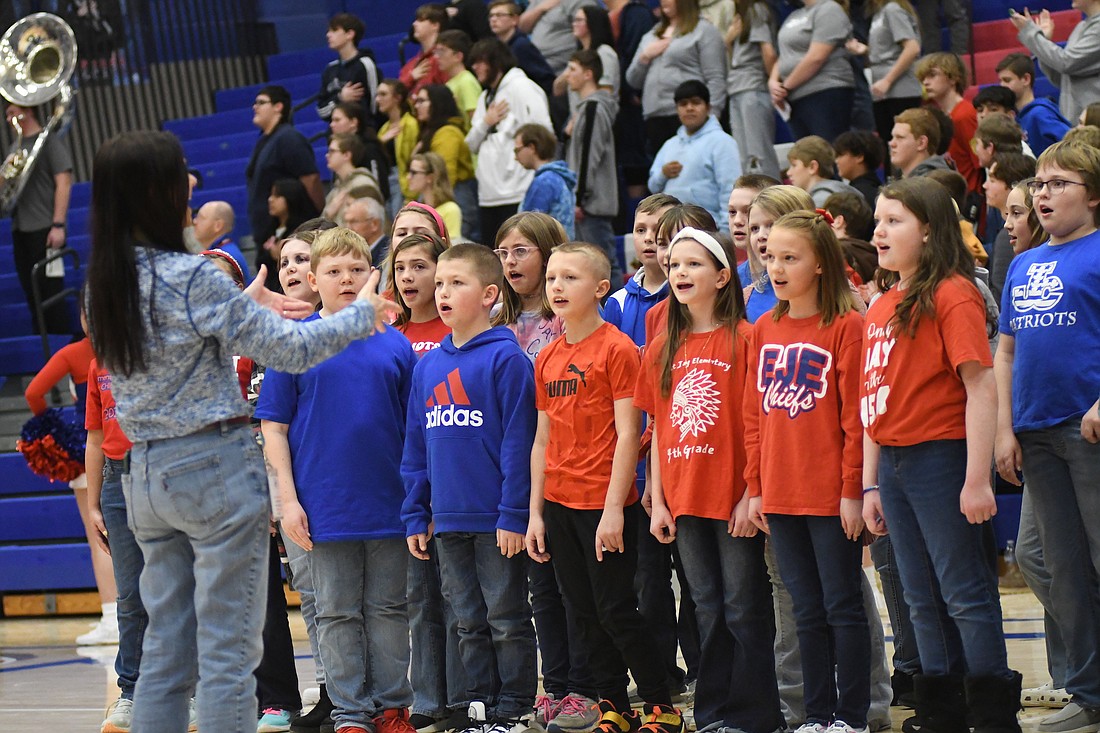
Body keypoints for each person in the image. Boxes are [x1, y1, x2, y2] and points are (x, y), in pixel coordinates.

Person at [83, 130, 396, 733]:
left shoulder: (105, 284)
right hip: (213, 470)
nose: (192, 192)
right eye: (182, 180)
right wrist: (361, 313)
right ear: (160, 191)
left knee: (168, 649)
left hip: (144, 478)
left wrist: (242, 307)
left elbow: (183, 342)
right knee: (228, 649)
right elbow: (293, 349)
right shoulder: (192, 277)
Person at [861, 176, 1022, 733]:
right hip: (897, 466)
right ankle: (943, 715)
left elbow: (980, 386)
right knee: (917, 594)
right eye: (878, 221)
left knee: (964, 592)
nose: (879, 231)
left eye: (894, 221)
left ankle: (994, 717)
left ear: (928, 230)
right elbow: (873, 402)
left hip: (942, 458)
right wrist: (872, 483)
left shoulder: (952, 292)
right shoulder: (882, 303)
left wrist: (977, 479)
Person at [257, 227, 417, 733]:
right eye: (333, 271)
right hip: (323, 505)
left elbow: (413, 430)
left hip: (389, 502)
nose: (345, 279)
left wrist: (418, 498)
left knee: (389, 610)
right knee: (336, 613)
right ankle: (350, 712)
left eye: (355, 269)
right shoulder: (295, 344)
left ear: (371, 274)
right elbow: (274, 428)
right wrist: (287, 499)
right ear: (312, 279)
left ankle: (392, 707)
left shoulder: (397, 346)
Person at [527, 240, 685, 733]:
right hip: (559, 502)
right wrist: (534, 513)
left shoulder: (617, 349)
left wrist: (615, 508)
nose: (557, 286)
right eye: (552, 277)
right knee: (582, 614)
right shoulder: (548, 357)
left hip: (605, 503)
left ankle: (662, 705)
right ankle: (612, 704)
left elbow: (629, 433)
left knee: (617, 609)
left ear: (600, 288)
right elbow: (542, 439)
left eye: (569, 277)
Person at [633, 224, 783, 733]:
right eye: (674, 265)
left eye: (693, 264)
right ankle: (714, 711)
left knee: (743, 607)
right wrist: (656, 501)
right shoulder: (660, 347)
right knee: (705, 608)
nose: (680, 273)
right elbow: (656, 428)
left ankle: (758, 713)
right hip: (683, 499)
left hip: (733, 498)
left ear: (723, 276)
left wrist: (750, 493)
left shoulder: (746, 337)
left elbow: (758, 424)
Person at [403, 243, 539, 733]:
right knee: (467, 620)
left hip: (494, 519)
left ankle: (517, 705)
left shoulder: (507, 360)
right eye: (439, 283)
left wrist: (512, 513)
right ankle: (479, 706)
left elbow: (518, 444)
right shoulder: (428, 366)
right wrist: (416, 512)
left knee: (505, 616)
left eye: (456, 283)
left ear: (489, 295)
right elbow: (416, 446)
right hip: (448, 519)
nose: (442, 292)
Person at [743, 210, 868, 733]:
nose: (775, 266)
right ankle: (817, 716)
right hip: (780, 494)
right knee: (804, 611)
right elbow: (753, 417)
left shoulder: (848, 326)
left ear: (821, 265)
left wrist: (852, 491)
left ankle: (853, 715)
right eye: (771, 255)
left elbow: (856, 420)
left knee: (843, 608)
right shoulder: (764, 328)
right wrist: (755, 489)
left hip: (829, 496)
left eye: (790, 257)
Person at [994, 140, 1100, 733]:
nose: (1044, 193)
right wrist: (1003, 429)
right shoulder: (1025, 265)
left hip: (1088, 433)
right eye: (1039, 184)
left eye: (1060, 183)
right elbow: (1006, 353)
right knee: (1064, 572)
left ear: (1095, 194)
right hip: (1036, 434)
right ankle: (1087, 692)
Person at [466, 39, 552, 246]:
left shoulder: (523, 88)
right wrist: (486, 122)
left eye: (480, 61)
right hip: (488, 195)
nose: (475, 67)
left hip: (516, 191)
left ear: (496, 61)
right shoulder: (485, 97)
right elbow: (470, 144)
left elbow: (543, 134)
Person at [4, 101, 74, 335]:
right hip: (21, 229)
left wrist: (58, 224)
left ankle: (61, 352)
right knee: (32, 296)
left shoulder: (48, 141)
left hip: (45, 229)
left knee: (52, 295)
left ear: (28, 112)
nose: (9, 119)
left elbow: (63, 181)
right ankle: (44, 355)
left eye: (13, 113)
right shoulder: (16, 148)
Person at [626, 0, 727, 157]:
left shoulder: (704, 30)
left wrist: (711, 116)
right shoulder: (651, 35)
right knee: (664, 170)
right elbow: (633, 80)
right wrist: (645, 57)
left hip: (689, 114)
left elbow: (716, 77)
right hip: (655, 115)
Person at [247, 86, 324, 289]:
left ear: (278, 107)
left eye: (261, 102)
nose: (255, 107)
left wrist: (316, 221)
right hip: (270, 233)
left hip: (293, 233)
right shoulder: (265, 140)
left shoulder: (289, 138)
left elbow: (311, 179)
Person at [648, 80, 740, 235]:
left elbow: (730, 191)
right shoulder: (669, 145)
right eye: (683, 104)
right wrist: (662, 174)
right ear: (677, 110)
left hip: (708, 229)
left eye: (696, 103)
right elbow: (653, 187)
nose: (689, 108)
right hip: (671, 230)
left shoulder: (722, 142)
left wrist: (725, 231)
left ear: (708, 107)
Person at [564, 49, 621, 285]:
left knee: (603, 263)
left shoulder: (593, 108)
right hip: (590, 200)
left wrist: (579, 197)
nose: (567, 75)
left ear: (589, 74)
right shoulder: (585, 108)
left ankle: (616, 316)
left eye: (572, 69)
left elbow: (589, 155)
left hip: (591, 203)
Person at [770, 0, 855, 144]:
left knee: (828, 150)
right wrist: (772, 81)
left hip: (825, 90)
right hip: (795, 98)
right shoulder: (794, 15)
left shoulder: (829, 9)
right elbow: (784, 55)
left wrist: (786, 87)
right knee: (806, 155)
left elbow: (817, 57)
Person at [1010, 2, 1100, 126]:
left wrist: (1031, 34)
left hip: (1093, 122)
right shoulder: (1081, 27)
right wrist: (1043, 42)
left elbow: (1067, 63)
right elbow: (1062, 78)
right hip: (1075, 123)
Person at [846, 0, 921, 148]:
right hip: (883, 92)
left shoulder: (893, 9)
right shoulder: (878, 14)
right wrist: (865, 50)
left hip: (901, 91)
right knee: (889, 146)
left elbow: (912, 48)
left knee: (902, 145)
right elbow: (888, 50)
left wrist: (888, 80)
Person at [412, 84, 478, 241]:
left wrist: (434, 206)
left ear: (437, 103)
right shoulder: (428, 132)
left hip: (457, 196)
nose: (417, 106)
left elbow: (446, 174)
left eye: (422, 101)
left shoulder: (447, 132)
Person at [725, 0, 781, 179]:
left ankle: (773, 201)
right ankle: (752, 202)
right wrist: (728, 40)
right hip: (736, 87)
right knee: (744, 157)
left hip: (754, 85)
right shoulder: (740, 15)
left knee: (759, 154)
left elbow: (769, 51)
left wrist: (773, 79)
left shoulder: (756, 9)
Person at [745, 185, 815, 322]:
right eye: (754, 228)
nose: (760, 236)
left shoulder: (839, 295)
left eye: (771, 225)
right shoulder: (747, 297)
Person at [914, 53, 981, 193]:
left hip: (970, 194)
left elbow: (979, 162)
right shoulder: (942, 116)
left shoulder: (964, 114)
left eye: (932, 75)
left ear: (953, 78)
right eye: (923, 78)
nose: (926, 82)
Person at [994, 53, 1072, 157]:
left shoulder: (1040, 113)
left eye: (1007, 80)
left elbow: (1072, 143)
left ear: (1026, 79)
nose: (1002, 85)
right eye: (1000, 81)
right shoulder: (1017, 116)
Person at [389, 232, 452, 357]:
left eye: (418, 266)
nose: (406, 277)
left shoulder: (460, 332)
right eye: (400, 268)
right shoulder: (388, 336)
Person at [514, 122, 578, 239]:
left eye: (517, 150)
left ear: (532, 147)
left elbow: (529, 226)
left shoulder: (544, 181)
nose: (515, 157)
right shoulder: (559, 176)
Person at [553, 5, 621, 112]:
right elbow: (557, 90)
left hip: (596, 117)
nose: (574, 24)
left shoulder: (605, 53)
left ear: (593, 23)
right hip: (577, 116)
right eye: (574, 20)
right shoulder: (578, 55)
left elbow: (606, 91)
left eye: (579, 20)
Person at [317, 13, 380, 120]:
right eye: (328, 31)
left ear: (349, 34)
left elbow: (375, 105)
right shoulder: (330, 69)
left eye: (334, 30)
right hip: (337, 133)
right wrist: (340, 98)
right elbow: (321, 111)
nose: (328, 35)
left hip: (362, 132)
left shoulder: (365, 64)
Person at [488, 0, 557, 96]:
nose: (494, 19)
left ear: (514, 20)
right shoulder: (495, 47)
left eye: (499, 15)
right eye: (491, 15)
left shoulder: (521, 46)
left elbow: (545, 79)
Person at [329, 102, 393, 202]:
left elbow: (379, 187)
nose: (332, 125)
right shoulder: (340, 149)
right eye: (332, 120)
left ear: (353, 122)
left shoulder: (369, 149)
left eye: (337, 120)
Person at [377, 79, 421, 210]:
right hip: (387, 182)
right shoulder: (384, 129)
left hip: (403, 181)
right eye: (377, 95)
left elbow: (413, 156)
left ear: (397, 98)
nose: (378, 99)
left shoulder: (410, 124)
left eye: (383, 94)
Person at [323, 133, 384, 225]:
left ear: (346, 155)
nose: (327, 155)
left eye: (332, 151)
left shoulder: (363, 183)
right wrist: (328, 213)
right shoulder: (337, 188)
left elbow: (368, 222)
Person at [785, 136, 861, 208]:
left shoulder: (819, 202)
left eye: (794, 165)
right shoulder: (850, 193)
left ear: (813, 167)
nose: (788, 173)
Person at [519, 0, 591, 73]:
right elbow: (522, 27)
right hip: (533, 58)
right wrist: (540, 9)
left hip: (557, 64)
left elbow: (588, 32)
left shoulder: (579, 2)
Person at [407, 152, 463, 239]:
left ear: (430, 177)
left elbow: (451, 246)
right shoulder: (417, 209)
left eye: (413, 172)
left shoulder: (451, 209)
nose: (408, 177)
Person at [401, 4, 450, 97]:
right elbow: (396, 93)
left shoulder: (444, 59)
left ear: (435, 25)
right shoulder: (411, 65)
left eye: (421, 20)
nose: (414, 24)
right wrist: (411, 77)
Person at [435, 30, 483, 126]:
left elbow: (476, 120)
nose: (437, 57)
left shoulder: (466, 81)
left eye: (442, 52)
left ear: (458, 56)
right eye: (436, 52)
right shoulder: (450, 83)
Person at [193, 201, 249, 279]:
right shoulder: (224, 250)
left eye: (201, 218)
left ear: (218, 226)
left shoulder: (223, 258)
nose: (194, 221)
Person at [889, 108, 949, 179]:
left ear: (921, 143)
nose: (891, 144)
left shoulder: (934, 185)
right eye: (893, 137)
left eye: (900, 137)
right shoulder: (898, 179)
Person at [833, 131, 884, 208]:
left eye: (840, 155)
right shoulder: (880, 190)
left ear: (859, 157)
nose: (836, 161)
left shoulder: (856, 197)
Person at [345, 197, 392, 269]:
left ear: (374, 224)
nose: (347, 228)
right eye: (346, 222)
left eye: (354, 222)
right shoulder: (354, 252)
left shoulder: (388, 254)